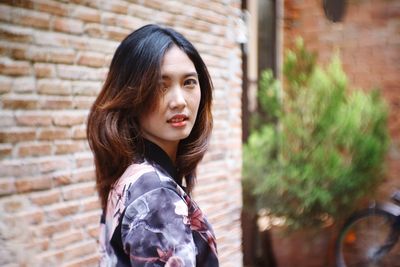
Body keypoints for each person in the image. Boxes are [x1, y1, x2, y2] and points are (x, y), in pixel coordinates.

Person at [86, 24, 219, 267]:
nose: (179, 101)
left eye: (189, 82)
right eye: (161, 85)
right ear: (131, 94)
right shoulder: (156, 195)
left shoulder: (130, 175)